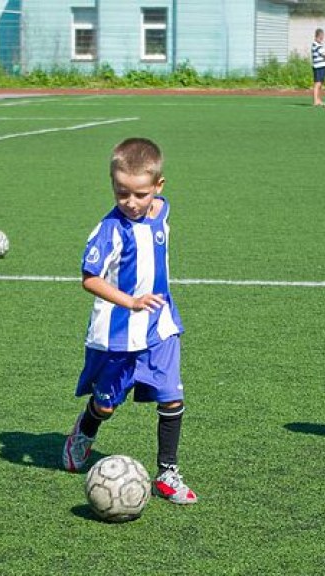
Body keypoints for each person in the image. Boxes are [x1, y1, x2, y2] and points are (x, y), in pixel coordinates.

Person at [61, 137, 197, 505]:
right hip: (117, 335)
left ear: (158, 187)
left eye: (140, 194)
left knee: (171, 398)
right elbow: (89, 278)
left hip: (162, 326)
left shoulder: (162, 210)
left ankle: (167, 473)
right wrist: (131, 301)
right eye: (122, 193)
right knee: (106, 404)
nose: (131, 202)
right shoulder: (107, 231)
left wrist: (149, 305)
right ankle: (85, 430)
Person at [311, 28, 325, 107]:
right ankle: (315, 101)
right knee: (317, 84)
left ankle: (319, 100)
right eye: (320, 37)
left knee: (321, 84)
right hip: (318, 67)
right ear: (316, 37)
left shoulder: (320, 45)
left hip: (322, 66)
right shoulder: (316, 45)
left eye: (322, 37)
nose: (322, 39)